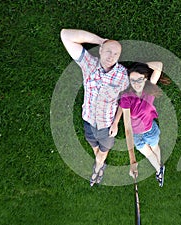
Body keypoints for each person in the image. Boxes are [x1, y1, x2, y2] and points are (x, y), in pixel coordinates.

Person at [60, 29, 129, 186]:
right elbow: (65, 35)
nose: (111, 56)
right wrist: (101, 40)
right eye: (108, 51)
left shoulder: (123, 75)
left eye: (116, 54)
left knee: (101, 154)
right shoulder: (89, 64)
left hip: (107, 126)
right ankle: (99, 163)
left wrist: (116, 122)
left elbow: (125, 101)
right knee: (94, 147)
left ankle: (98, 169)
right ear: (100, 50)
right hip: (88, 120)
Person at [120, 61, 169, 187]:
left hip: (150, 129)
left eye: (139, 79)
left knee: (155, 148)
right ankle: (159, 170)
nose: (136, 84)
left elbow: (159, 66)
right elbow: (127, 126)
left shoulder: (149, 89)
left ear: (145, 79)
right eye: (133, 80)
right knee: (148, 154)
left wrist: (137, 66)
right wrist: (132, 160)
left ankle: (160, 169)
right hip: (136, 135)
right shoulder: (126, 97)